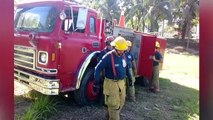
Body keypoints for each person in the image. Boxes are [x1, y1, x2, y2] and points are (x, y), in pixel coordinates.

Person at [93, 36, 129, 120]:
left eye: (123, 50)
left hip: (121, 83)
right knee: (114, 106)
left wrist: (129, 78)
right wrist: (96, 82)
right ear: (114, 47)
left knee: (121, 102)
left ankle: (109, 116)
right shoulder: (108, 57)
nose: (122, 51)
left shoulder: (123, 55)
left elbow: (125, 67)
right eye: (120, 50)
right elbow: (97, 69)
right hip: (111, 84)